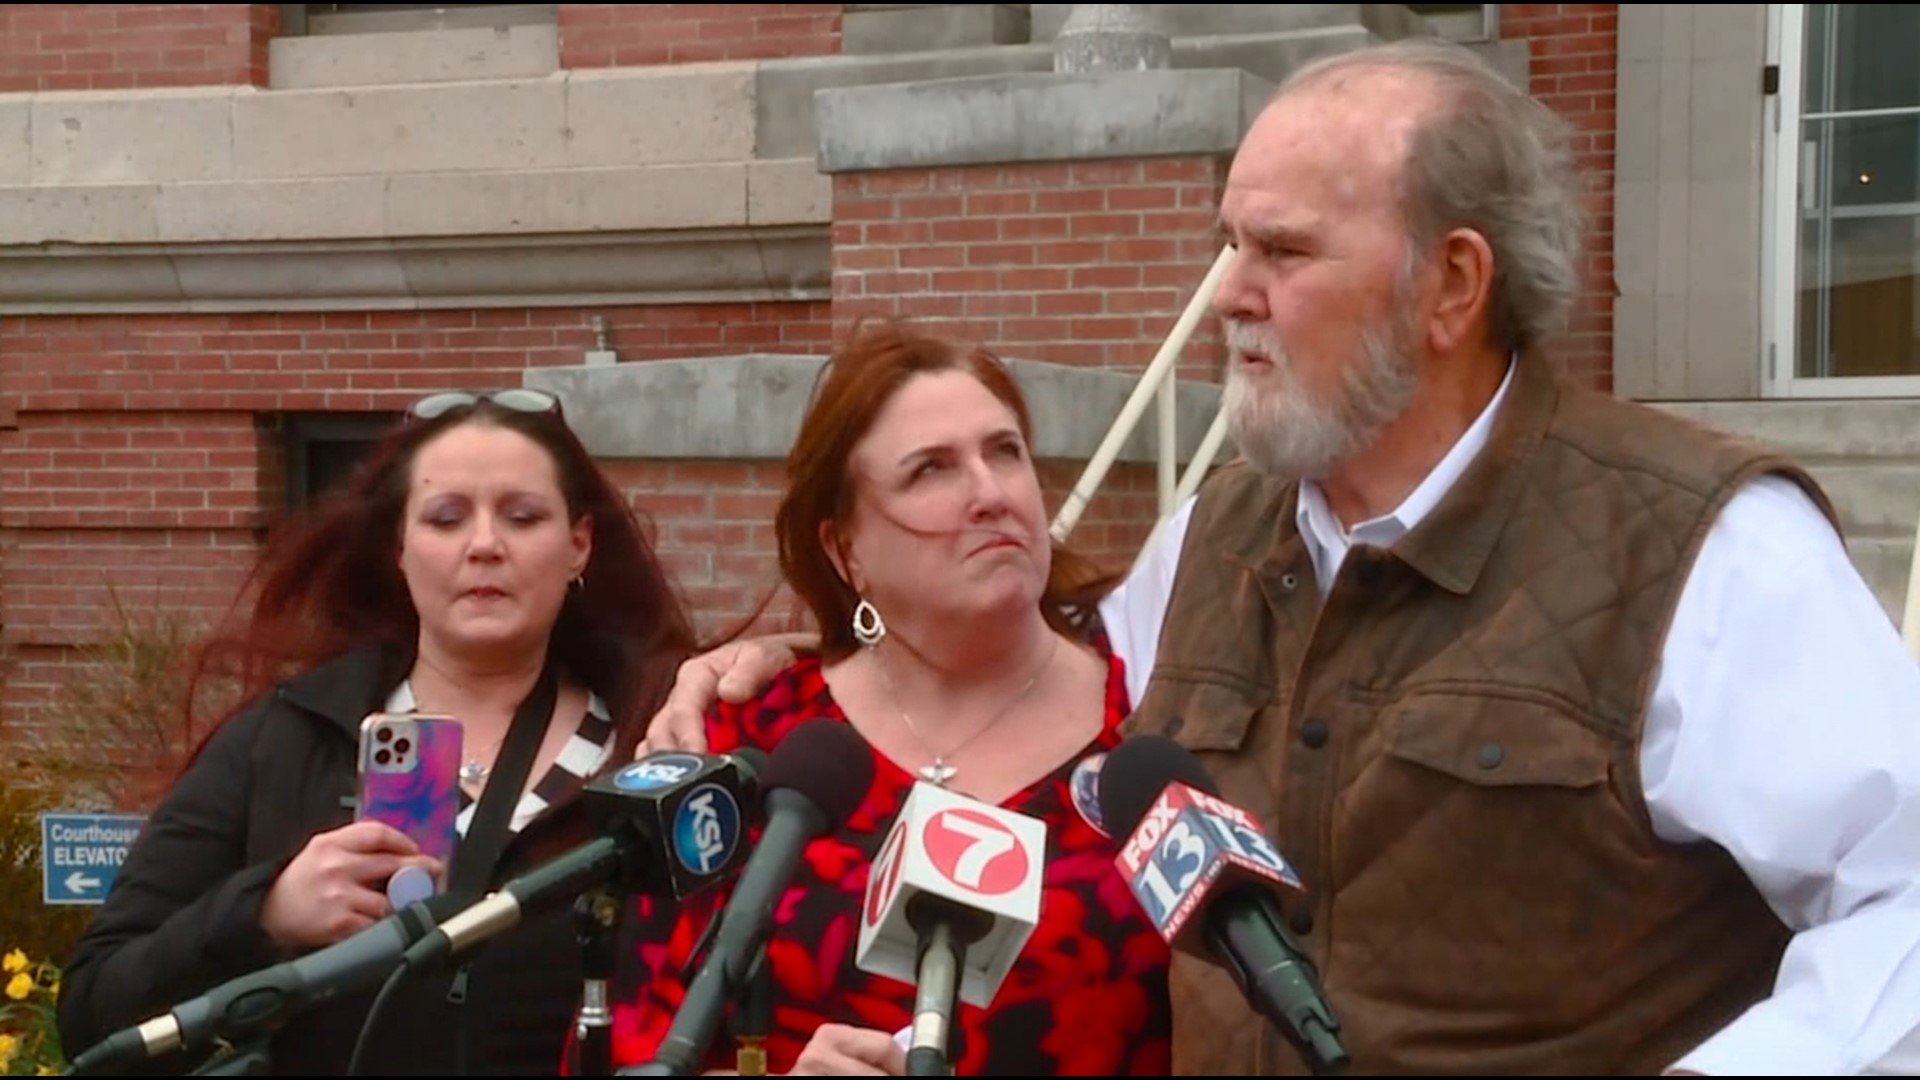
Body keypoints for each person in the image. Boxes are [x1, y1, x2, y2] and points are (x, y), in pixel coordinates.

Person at [635, 37, 1920, 1078]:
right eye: (1228, 242)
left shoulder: (1707, 552)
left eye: (1282, 251)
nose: (1228, 292)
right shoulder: (1211, 539)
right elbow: (1009, 668)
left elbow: (1900, 907)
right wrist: (791, 654)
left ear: (1451, 286)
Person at [56, 388, 702, 1075]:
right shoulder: (285, 737)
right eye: (447, 518)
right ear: (400, 548)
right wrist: (266, 912)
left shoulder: (658, 739)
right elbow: (95, 1010)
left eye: (522, 516)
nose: (484, 545)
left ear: (579, 546)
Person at [600, 321, 1173, 1077]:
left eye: (1006, 452)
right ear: (846, 552)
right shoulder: (751, 741)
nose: (990, 493)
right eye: (930, 470)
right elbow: (631, 1039)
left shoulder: (1152, 717)